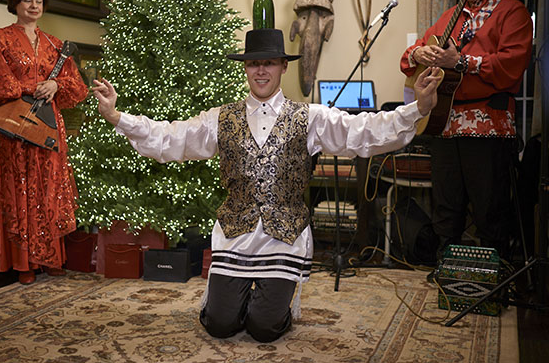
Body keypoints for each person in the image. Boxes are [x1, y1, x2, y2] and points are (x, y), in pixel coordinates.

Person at [93, 28, 441, 342]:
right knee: (219, 325)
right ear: (246, 68)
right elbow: (171, 137)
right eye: (254, 64)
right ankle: (234, 297)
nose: (261, 70)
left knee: (264, 329)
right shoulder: (220, 118)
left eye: (269, 63)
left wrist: (416, 109)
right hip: (236, 234)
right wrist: (117, 117)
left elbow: (362, 130)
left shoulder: (311, 117)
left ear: (282, 68)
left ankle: (272, 304)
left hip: (284, 236)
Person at [400, 0, 533, 262]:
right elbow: (408, 60)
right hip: (444, 125)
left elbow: (510, 65)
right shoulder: (449, 17)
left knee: (489, 208)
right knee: (446, 207)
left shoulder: (511, 12)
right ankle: (448, 272)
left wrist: (461, 63)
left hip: (488, 124)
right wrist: (418, 53)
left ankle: (491, 276)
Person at [0, 0, 88, 285]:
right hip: (15, 127)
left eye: (38, 1)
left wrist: (56, 85)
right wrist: (30, 88)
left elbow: (78, 87)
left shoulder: (55, 43)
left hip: (49, 124)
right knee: (20, 188)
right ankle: (23, 263)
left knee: (50, 187)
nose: (34, 6)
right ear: (15, 3)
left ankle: (51, 258)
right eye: (27, 0)